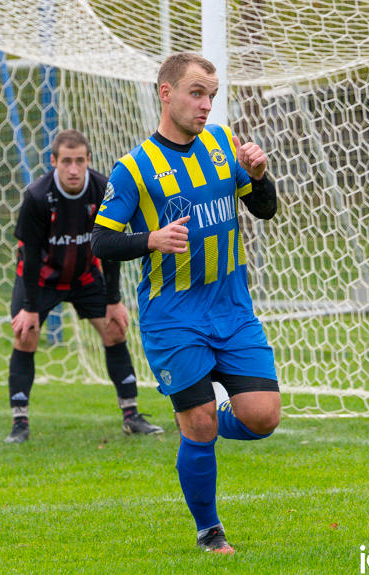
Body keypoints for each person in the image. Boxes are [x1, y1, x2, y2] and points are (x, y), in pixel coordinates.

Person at [91, 53, 281, 554]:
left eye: (212, 96)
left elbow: (264, 210)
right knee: (196, 425)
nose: (206, 105)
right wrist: (149, 239)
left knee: (263, 417)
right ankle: (209, 530)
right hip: (173, 316)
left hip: (233, 310)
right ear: (167, 93)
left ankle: (208, 414)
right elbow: (102, 242)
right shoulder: (134, 168)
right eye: (197, 93)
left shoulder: (222, 144)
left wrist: (259, 177)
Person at [4, 129, 163, 443]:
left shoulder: (103, 189)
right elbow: (31, 254)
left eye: (79, 161)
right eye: (66, 161)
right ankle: (19, 424)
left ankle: (131, 415)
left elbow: (113, 245)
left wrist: (114, 299)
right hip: (41, 277)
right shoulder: (37, 196)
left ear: (89, 160)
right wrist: (30, 309)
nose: (73, 169)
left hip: (85, 275)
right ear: (53, 162)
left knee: (115, 328)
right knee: (26, 334)